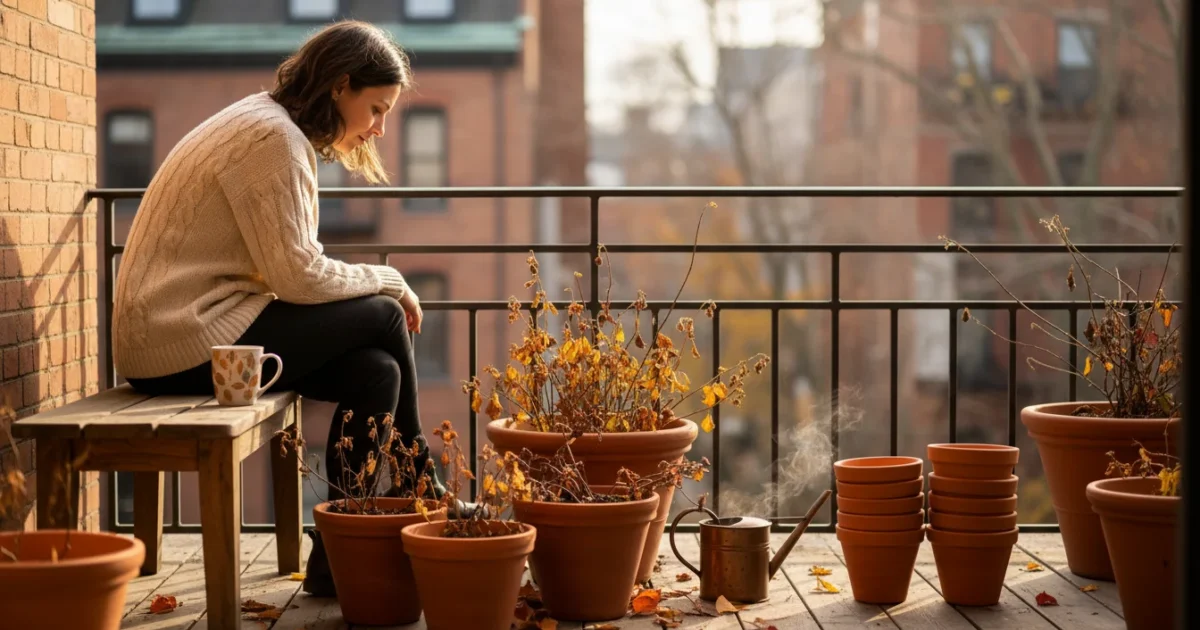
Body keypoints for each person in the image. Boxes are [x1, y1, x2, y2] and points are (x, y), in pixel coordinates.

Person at [110, 20, 463, 597]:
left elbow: (290, 270)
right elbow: (297, 275)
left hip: (204, 328)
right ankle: (420, 472)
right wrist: (390, 278)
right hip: (180, 338)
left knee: (378, 372)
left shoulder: (268, 123)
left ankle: (333, 560)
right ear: (340, 86)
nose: (378, 129)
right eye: (376, 109)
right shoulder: (271, 139)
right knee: (384, 313)